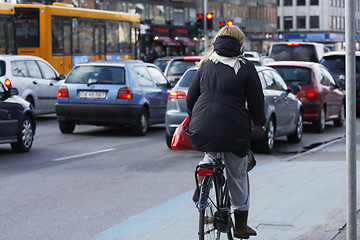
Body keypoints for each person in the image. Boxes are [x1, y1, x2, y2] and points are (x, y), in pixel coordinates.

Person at [186, 25, 266, 239]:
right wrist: (260, 122)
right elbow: (257, 104)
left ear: (216, 42)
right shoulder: (246, 66)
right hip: (234, 129)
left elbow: (190, 99)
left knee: (210, 150)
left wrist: (195, 118)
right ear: (241, 44)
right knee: (238, 174)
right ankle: (240, 225)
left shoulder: (204, 65)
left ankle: (202, 178)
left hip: (202, 126)